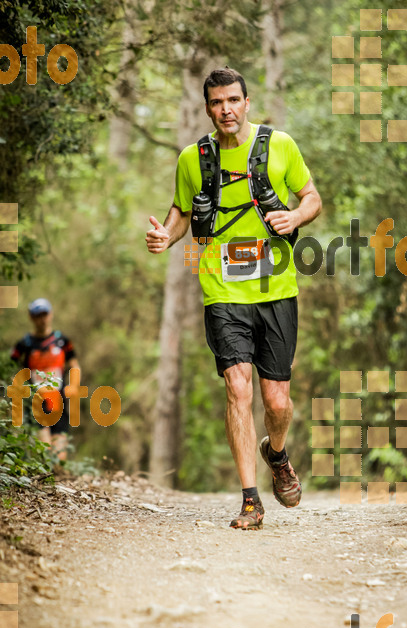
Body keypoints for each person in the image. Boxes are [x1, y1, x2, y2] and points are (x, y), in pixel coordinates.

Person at [146, 67, 321, 530]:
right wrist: (167, 236)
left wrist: (296, 216)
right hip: (222, 291)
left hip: (277, 288)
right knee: (237, 388)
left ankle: (277, 454)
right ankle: (250, 499)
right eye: (216, 102)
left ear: (247, 103)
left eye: (233, 100)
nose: (226, 109)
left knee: (278, 403)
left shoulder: (279, 145)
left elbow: (312, 197)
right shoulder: (192, 158)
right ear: (207, 108)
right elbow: (182, 211)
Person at [11, 298, 79, 462]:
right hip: (36, 402)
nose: (42, 319)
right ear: (31, 317)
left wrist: (74, 386)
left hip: (58, 401)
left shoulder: (62, 341)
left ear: (51, 314)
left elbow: (74, 365)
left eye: (45, 314)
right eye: (38, 315)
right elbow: (12, 370)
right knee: (45, 454)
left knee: (60, 458)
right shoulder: (24, 344)